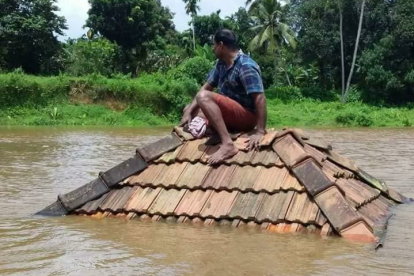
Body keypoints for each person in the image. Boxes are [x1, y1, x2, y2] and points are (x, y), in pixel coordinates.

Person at [180, 28, 267, 164]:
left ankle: (228, 144)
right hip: (229, 112)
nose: (213, 49)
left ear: (221, 45)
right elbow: (207, 86)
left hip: (246, 116)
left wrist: (260, 132)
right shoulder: (221, 64)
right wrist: (189, 111)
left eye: (214, 45)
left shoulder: (245, 65)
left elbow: (260, 98)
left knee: (203, 97)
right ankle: (213, 129)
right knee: (190, 108)